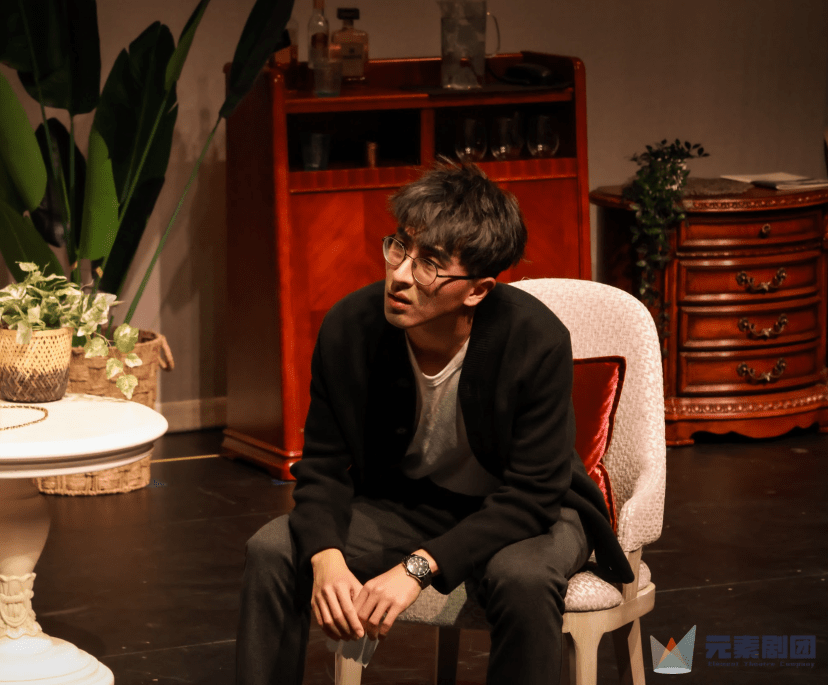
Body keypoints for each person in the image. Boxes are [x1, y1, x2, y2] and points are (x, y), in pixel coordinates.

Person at [235, 162, 633, 685]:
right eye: (400, 248)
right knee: (274, 549)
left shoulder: (535, 340)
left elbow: (533, 495)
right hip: (410, 506)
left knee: (522, 578)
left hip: (532, 511)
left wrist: (416, 568)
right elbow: (324, 467)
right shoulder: (350, 327)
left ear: (477, 290)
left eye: (429, 265)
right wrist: (326, 556)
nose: (400, 275)